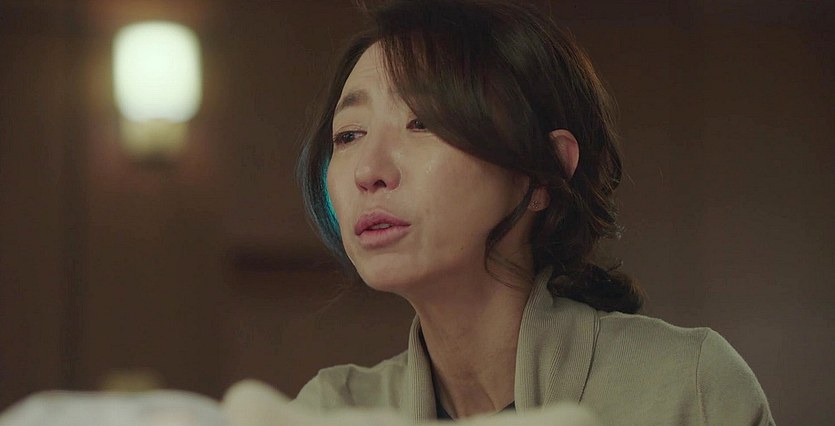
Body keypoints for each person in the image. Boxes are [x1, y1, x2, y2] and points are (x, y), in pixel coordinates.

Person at [294, 0, 774, 424]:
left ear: (543, 173)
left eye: (423, 122)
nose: (369, 171)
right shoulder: (332, 411)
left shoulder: (688, 389)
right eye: (348, 135)